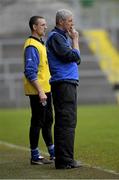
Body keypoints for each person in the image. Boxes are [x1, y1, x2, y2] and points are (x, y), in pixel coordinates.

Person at [46, 9, 81, 169]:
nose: (72, 24)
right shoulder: (56, 37)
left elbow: (75, 58)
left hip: (67, 82)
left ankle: (65, 159)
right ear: (61, 22)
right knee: (66, 121)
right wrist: (76, 41)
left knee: (67, 121)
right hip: (63, 83)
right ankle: (65, 161)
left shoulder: (61, 37)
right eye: (70, 21)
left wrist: (73, 42)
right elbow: (73, 57)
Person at [23, 16, 55, 165]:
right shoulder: (31, 46)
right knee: (37, 121)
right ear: (34, 27)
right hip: (38, 92)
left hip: (46, 90)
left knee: (48, 120)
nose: (45, 27)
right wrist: (41, 91)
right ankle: (35, 155)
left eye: (45, 24)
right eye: (42, 25)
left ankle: (52, 152)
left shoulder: (40, 44)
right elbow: (30, 72)